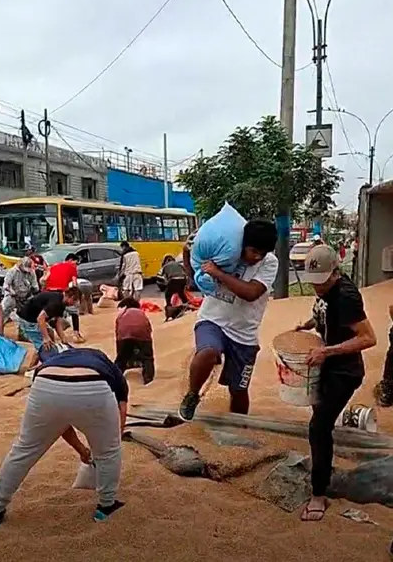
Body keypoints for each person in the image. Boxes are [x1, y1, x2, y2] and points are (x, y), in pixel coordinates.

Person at [0, 347, 127, 527]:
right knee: (108, 452)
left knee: (24, 450)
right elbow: (122, 409)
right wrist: (112, 441)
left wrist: (81, 450)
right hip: (92, 384)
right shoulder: (108, 365)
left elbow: (60, 423)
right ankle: (106, 506)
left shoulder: (52, 362)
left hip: (45, 383)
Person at [292, 245, 377, 521]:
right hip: (328, 367)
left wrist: (326, 351)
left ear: (336, 273)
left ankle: (319, 495)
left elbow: (368, 338)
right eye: (313, 282)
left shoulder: (347, 296)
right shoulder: (326, 292)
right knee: (320, 421)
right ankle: (322, 469)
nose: (317, 287)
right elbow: (323, 312)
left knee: (319, 426)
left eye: (322, 281)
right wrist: (307, 324)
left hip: (345, 372)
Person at [177, 219, 280, 421]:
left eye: (262, 253)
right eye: (253, 251)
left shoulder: (269, 263)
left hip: (244, 333)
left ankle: (239, 427)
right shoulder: (224, 251)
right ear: (242, 245)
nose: (257, 257)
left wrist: (218, 273)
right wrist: (189, 252)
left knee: (239, 389)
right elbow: (195, 277)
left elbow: (251, 293)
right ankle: (192, 395)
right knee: (208, 351)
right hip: (212, 320)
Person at [16, 288, 83, 358]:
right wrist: (46, 338)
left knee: (50, 334)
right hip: (28, 320)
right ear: (71, 298)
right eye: (74, 302)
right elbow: (40, 318)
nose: (73, 305)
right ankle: (40, 363)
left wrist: (64, 339)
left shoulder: (62, 302)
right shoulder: (56, 303)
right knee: (44, 347)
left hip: (36, 318)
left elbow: (58, 323)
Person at [114, 297, 155, 385]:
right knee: (147, 358)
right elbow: (148, 328)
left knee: (121, 359)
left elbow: (118, 333)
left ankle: (115, 376)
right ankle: (148, 378)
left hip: (124, 334)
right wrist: (147, 344)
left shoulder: (122, 314)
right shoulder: (141, 312)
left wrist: (120, 351)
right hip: (142, 333)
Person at [1, 257, 39, 323]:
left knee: (33, 307)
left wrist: (34, 289)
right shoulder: (12, 271)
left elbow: (35, 285)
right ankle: (1, 322)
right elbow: (6, 285)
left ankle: (25, 326)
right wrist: (11, 291)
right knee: (7, 305)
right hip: (13, 295)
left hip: (26, 295)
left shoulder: (31, 272)